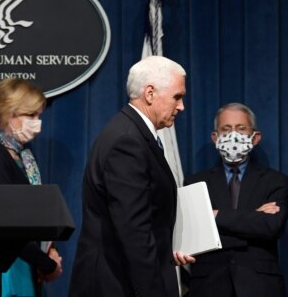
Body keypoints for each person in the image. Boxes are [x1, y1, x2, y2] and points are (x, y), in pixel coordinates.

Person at [69, 56, 195, 297]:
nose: (181, 107)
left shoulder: (134, 134)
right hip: (117, 284)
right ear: (150, 93)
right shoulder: (127, 141)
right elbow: (133, 229)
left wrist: (168, 247)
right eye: (177, 97)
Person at [184, 103, 288, 297]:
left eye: (241, 128)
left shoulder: (275, 181)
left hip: (260, 287)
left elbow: (271, 227)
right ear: (215, 138)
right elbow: (195, 234)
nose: (233, 135)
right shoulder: (194, 182)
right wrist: (253, 219)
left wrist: (214, 215)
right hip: (209, 287)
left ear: (255, 137)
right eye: (226, 129)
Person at [0, 78, 62, 297]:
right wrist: (46, 263)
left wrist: (49, 250)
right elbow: (5, 223)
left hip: (28, 261)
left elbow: (36, 212)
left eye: (39, 116)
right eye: (31, 115)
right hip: (6, 269)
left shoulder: (23, 154)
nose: (37, 123)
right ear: (11, 114)